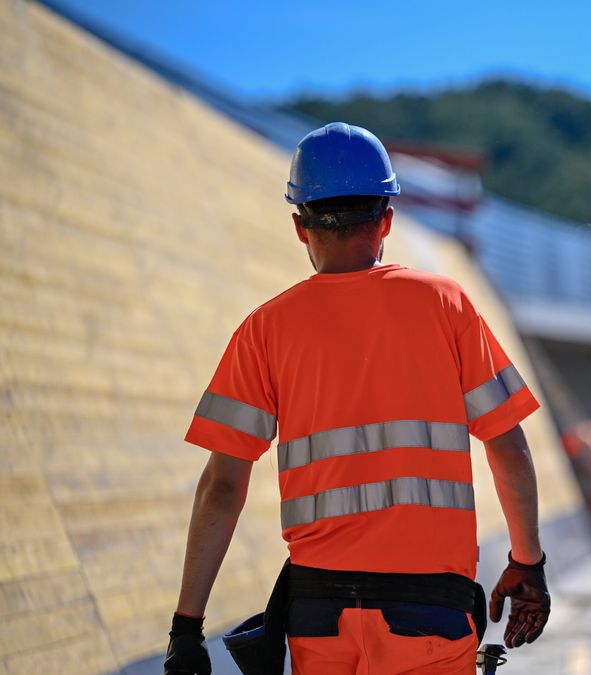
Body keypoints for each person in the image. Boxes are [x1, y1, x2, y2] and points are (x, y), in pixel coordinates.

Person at [163, 123, 550, 675]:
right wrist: (526, 564)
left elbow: (223, 486)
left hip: (321, 615)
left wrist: (186, 627)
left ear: (301, 226)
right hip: (431, 612)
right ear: (386, 218)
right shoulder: (446, 304)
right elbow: (508, 450)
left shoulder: (264, 330)